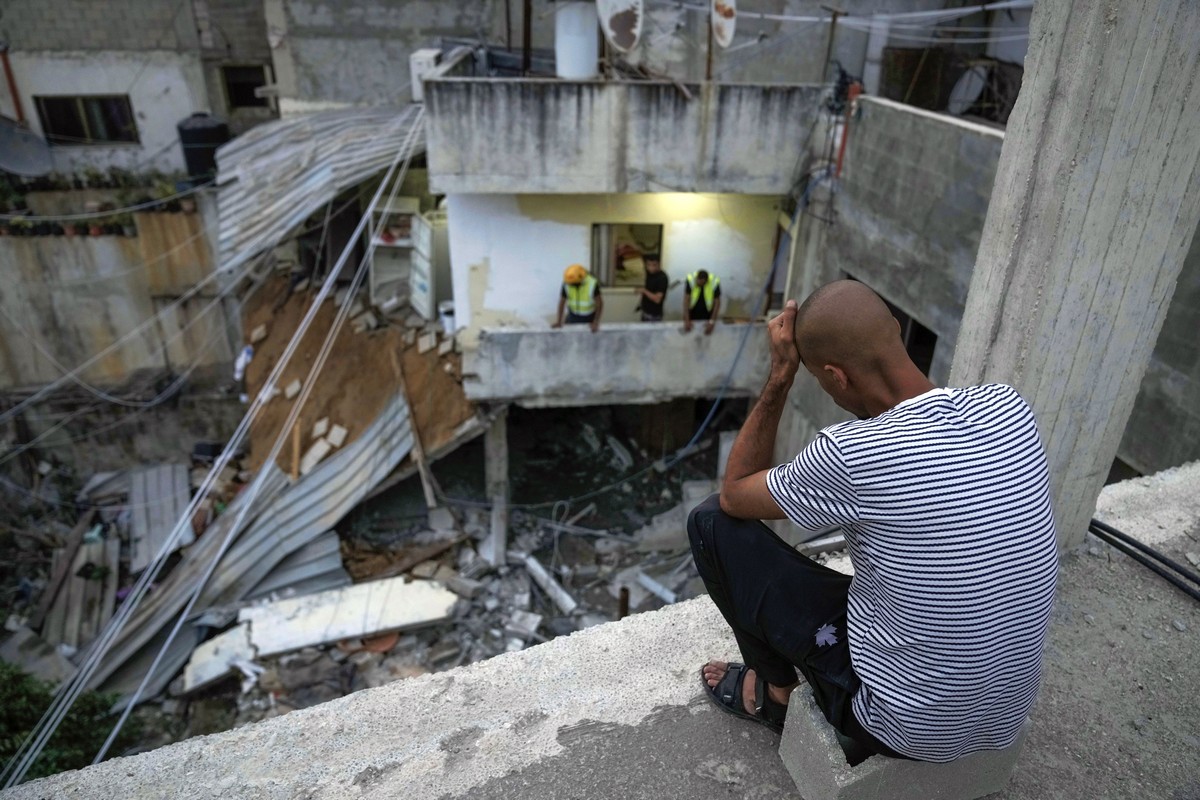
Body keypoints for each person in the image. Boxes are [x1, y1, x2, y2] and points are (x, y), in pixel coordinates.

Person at [690, 279, 1058, 764]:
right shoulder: (1009, 406)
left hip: (905, 729)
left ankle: (776, 695)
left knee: (711, 523)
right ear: (896, 331)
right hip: (1003, 716)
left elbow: (735, 495)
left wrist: (780, 374)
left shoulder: (855, 451)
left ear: (836, 377)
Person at [553, 264, 603, 332]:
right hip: (573, 315)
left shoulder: (592, 283)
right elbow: (562, 302)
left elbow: (599, 303)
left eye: (574, 284)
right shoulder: (567, 283)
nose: (572, 286)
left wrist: (596, 321)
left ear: (581, 281)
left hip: (589, 316)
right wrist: (559, 321)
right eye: (571, 284)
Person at [683, 270, 720, 334]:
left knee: (706, 336)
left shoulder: (714, 282)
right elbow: (686, 300)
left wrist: (712, 322)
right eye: (697, 281)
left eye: (700, 283)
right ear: (697, 277)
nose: (697, 283)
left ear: (705, 281)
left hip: (707, 314)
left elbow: (717, 303)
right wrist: (687, 319)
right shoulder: (691, 280)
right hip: (693, 313)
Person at [637, 253, 668, 322]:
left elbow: (657, 299)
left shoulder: (662, 278)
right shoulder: (649, 273)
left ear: (659, 264)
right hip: (645, 312)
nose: (651, 267)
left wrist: (644, 291)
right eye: (648, 265)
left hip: (654, 315)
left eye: (654, 265)